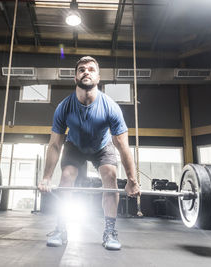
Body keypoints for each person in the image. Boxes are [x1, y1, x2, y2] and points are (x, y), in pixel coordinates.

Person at [38, 56, 140, 250]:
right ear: (75, 78)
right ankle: (60, 228)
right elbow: (54, 145)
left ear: (98, 77)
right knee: (66, 177)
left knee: (110, 176)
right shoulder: (64, 108)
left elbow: (123, 146)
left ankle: (110, 231)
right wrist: (46, 178)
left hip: (102, 147)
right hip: (75, 146)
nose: (86, 72)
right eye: (82, 69)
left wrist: (132, 180)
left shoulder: (110, 107)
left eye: (91, 69)